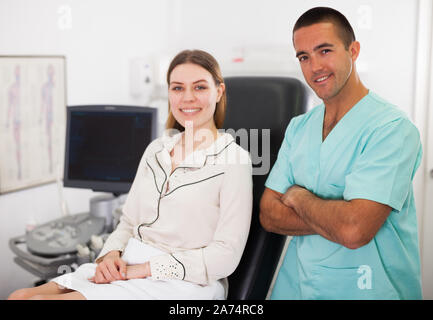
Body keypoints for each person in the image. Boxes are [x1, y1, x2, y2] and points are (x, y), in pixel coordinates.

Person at [8, 49, 253, 300]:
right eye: (177, 88)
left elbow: (225, 256)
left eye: (199, 87)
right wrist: (110, 255)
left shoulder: (233, 161)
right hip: (127, 265)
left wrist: (144, 270)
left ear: (219, 91)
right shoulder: (157, 149)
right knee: (21, 296)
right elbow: (128, 222)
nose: (187, 97)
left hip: (183, 282)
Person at [260, 7, 423, 299]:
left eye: (325, 51)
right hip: (298, 288)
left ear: (354, 50)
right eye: (304, 57)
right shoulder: (299, 127)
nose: (314, 67)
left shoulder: (391, 129)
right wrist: (335, 216)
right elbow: (269, 215)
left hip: (369, 289)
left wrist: (299, 197)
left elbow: (354, 230)